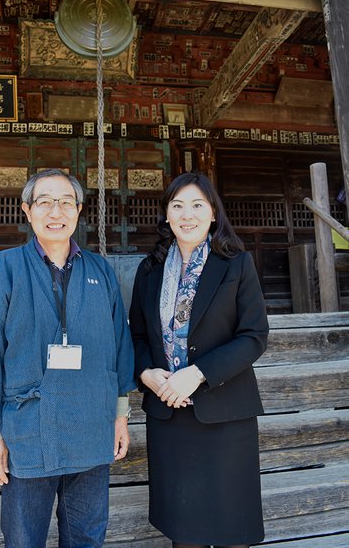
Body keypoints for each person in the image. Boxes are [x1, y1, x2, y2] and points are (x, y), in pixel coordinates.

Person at [0, 168, 135, 548]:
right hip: (28, 431)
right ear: (27, 210)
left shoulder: (100, 271)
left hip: (91, 429)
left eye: (65, 202)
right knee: (23, 539)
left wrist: (120, 415)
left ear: (79, 210)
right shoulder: (4, 268)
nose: (55, 211)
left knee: (87, 537)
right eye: (44, 202)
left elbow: (119, 348)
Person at [129, 172, 269, 548]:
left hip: (225, 412)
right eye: (177, 206)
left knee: (231, 530)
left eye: (196, 205)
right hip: (169, 415)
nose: (186, 215)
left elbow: (253, 336)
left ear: (213, 213)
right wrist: (146, 374)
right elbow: (137, 336)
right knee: (184, 531)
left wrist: (198, 374)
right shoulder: (149, 270)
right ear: (167, 215)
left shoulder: (235, 264)